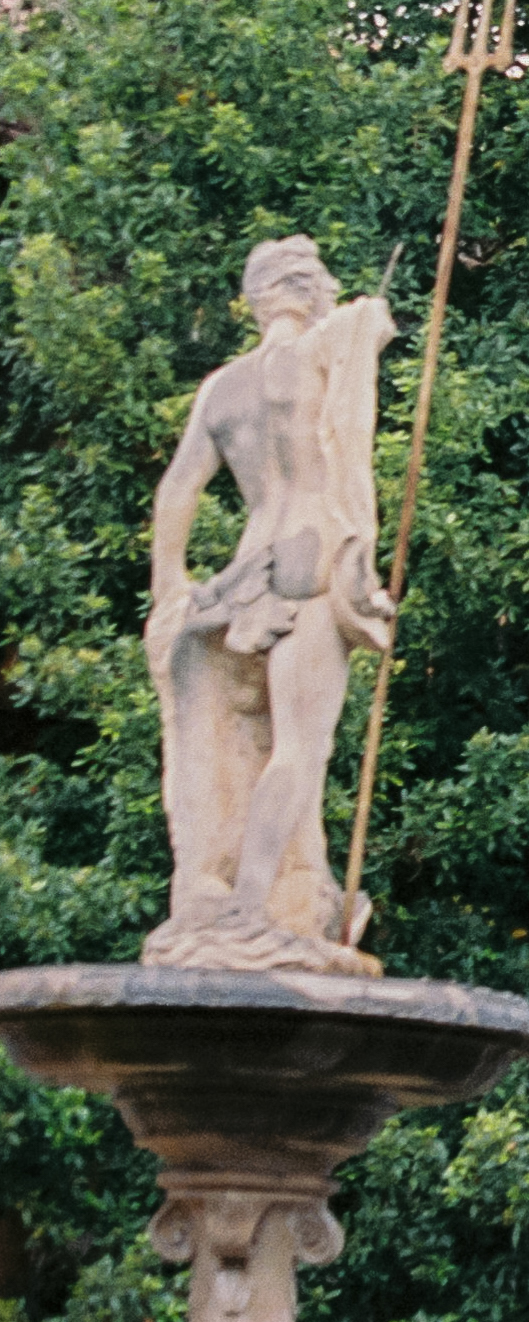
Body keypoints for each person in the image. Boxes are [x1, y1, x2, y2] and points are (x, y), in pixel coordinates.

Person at [144, 236, 396, 976]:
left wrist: (169, 587)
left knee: (252, 742)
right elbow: (355, 360)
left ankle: (294, 894)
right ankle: (254, 911)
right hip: (311, 561)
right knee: (299, 746)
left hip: (245, 568)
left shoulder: (223, 386)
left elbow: (178, 490)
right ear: (306, 289)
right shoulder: (325, 351)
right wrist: (364, 327)